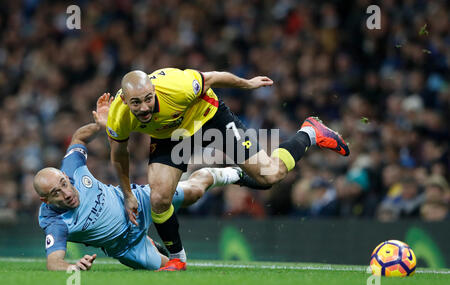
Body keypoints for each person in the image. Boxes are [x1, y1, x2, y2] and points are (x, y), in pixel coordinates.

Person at [106, 68, 350, 270]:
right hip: (172, 136)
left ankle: (309, 132)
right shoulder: (118, 116)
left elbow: (213, 77)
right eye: (136, 103)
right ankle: (178, 259)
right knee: (159, 198)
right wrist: (128, 194)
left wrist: (247, 84)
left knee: (269, 176)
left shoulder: (176, 86)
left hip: (210, 117)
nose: (145, 107)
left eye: (148, 98)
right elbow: (118, 156)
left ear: (154, 90)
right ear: (125, 101)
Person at [34, 94, 244, 271]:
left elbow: (78, 139)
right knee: (175, 269)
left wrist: (98, 126)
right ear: (46, 200)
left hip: (137, 201)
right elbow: (54, 262)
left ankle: (234, 174)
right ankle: (150, 244)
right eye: (56, 193)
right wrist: (73, 266)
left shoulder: (71, 169)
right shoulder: (54, 222)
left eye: (64, 184)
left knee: (196, 192)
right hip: (127, 246)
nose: (66, 192)